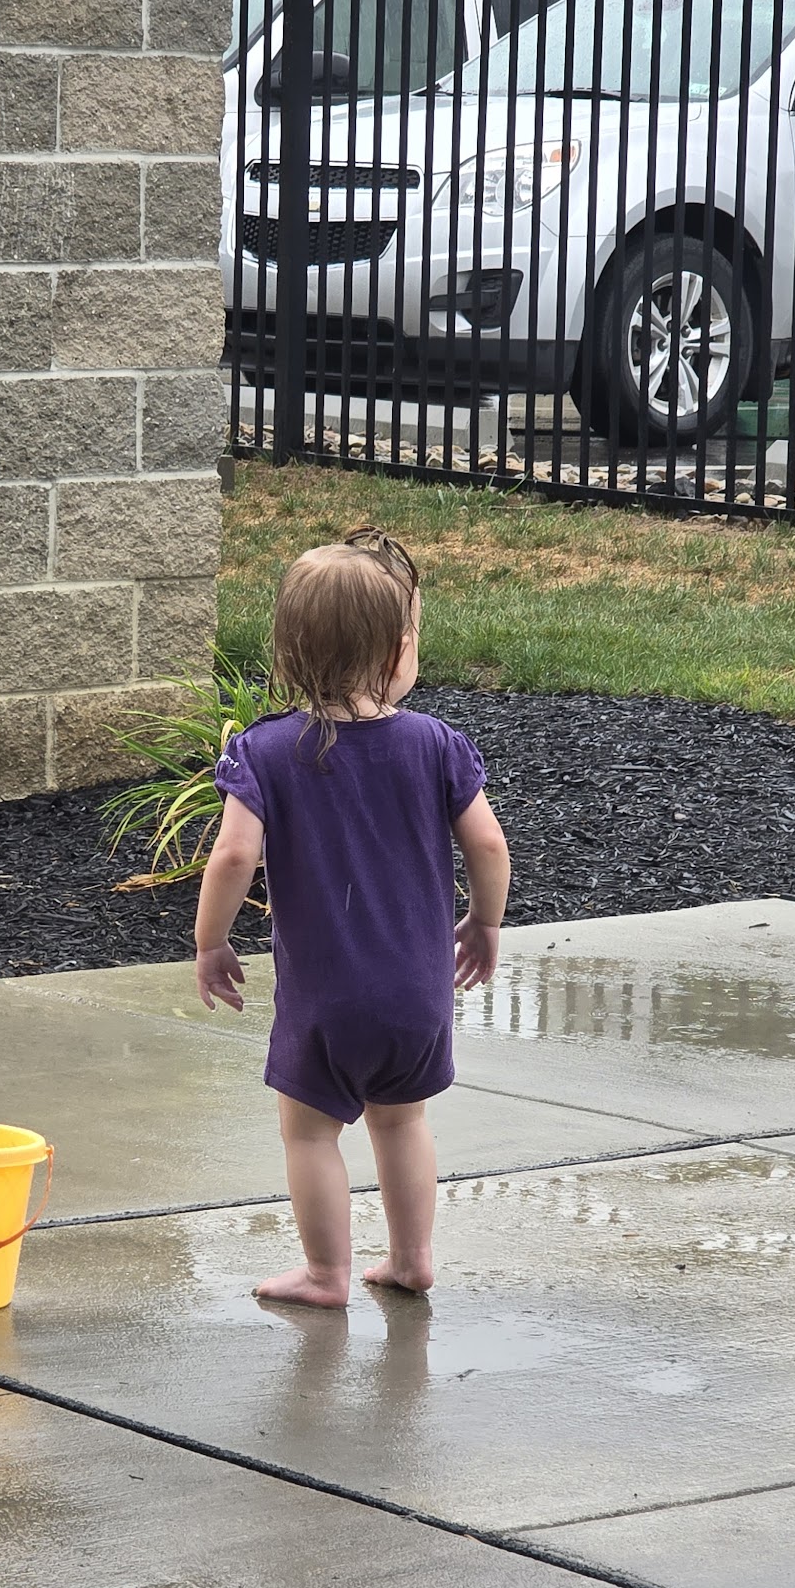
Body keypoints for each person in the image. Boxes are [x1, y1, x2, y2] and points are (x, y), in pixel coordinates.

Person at [194, 529, 511, 1308]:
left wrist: (211, 941)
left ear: (287, 651)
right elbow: (488, 843)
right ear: (400, 651)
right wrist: (485, 923)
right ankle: (412, 1260)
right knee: (400, 1124)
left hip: (326, 999)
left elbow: (233, 857)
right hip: (417, 993)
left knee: (309, 1133)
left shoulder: (266, 751)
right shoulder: (435, 743)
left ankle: (326, 1274)